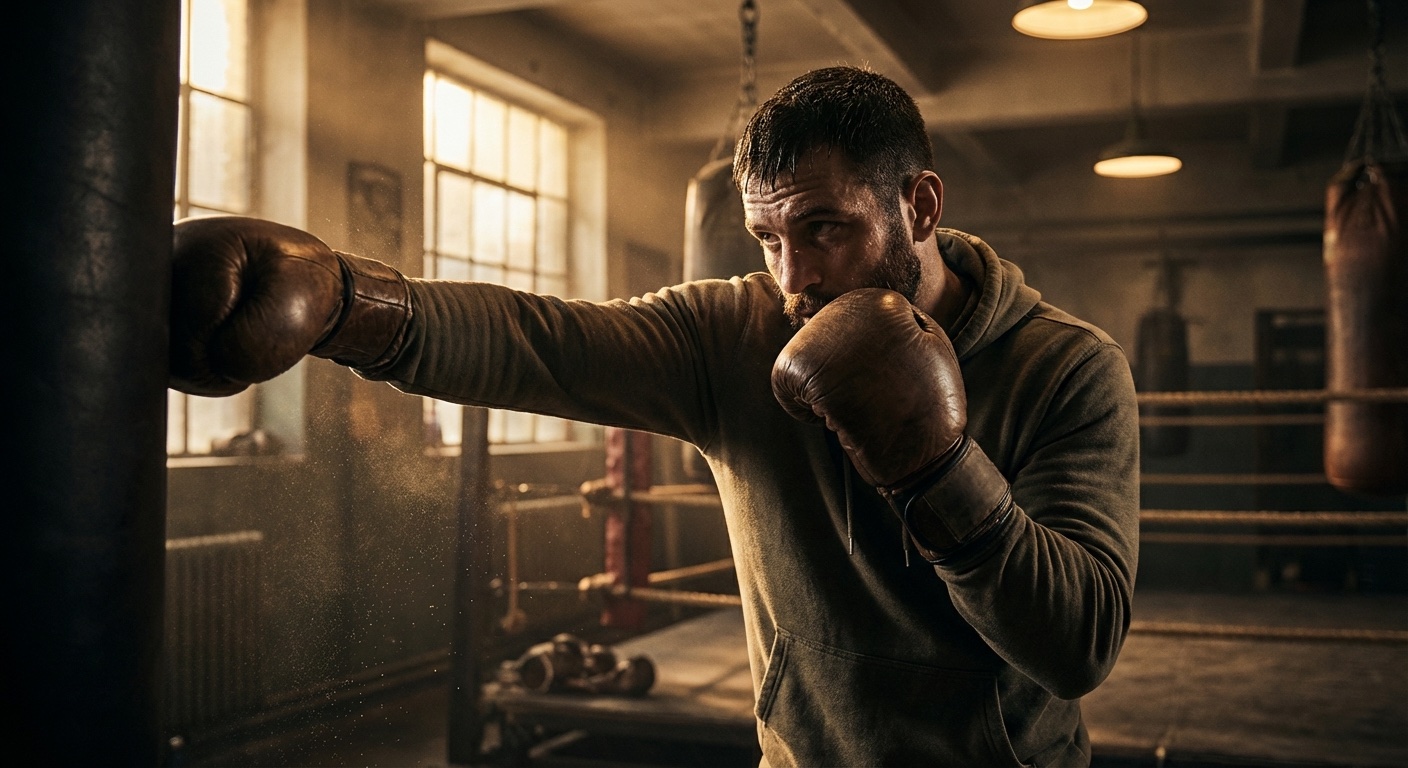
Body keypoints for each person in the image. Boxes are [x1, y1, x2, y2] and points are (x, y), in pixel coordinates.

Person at [170, 66, 1139, 767]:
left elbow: (1077, 643)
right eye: (768, 238)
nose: (793, 276)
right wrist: (346, 301)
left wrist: (935, 467)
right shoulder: (734, 331)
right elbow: (546, 341)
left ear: (918, 205)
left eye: (826, 229)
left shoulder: (1068, 367)